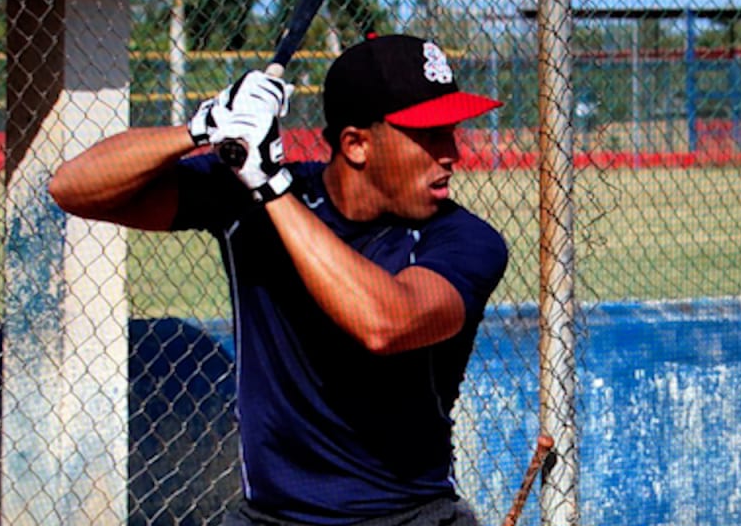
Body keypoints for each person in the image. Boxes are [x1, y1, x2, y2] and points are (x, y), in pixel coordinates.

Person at [48, 34, 509, 526]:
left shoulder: (464, 239)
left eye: (451, 131)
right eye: (429, 135)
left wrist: (271, 187)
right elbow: (72, 188)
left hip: (410, 516)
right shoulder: (250, 195)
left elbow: (386, 324)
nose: (452, 153)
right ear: (356, 145)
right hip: (270, 519)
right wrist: (204, 126)